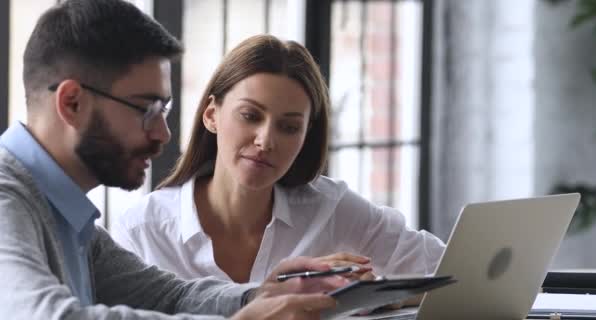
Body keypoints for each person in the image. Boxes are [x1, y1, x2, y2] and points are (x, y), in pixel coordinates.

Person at [0, 1, 349, 319]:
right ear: (72, 103)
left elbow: (168, 296)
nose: (163, 134)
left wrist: (263, 296)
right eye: (147, 108)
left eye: (163, 110)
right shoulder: (6, 196)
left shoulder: (68, 216)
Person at [113, 34, 446, 285]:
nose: (266, 140)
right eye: (250, 115)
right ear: (212, 114)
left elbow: (449, 272)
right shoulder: (144, 231)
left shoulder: (332, 209)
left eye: (289, 127)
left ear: (305, 137)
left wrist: (376, 303)